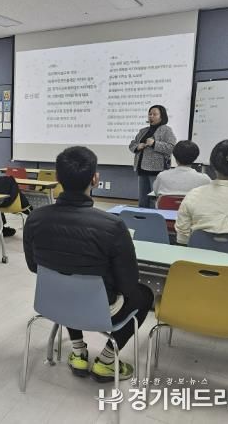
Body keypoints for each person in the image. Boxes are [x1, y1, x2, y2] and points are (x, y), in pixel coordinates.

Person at [23, 146, 153, 382]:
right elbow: (128, 283)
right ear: (95, 179)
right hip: (98, 308)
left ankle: (79, 352)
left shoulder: (35, 218)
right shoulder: (112, 225)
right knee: (144, 295)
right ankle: (106, 361)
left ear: (57, 178)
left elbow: (34, 266)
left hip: (53, 302)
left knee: (67, 279)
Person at [129, 105, 177, 208]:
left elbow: (172, 147)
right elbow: (132, 144)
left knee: (155, 200)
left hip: (157, 170)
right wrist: (138, 146)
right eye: (149, 114)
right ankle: (142, 217)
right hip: (141, 169)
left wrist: (154, 143)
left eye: (154, 114)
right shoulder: (143, 131)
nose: (151, 116)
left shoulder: (166, 130)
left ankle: (155, 217)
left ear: (161, 116)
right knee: (143, 199)